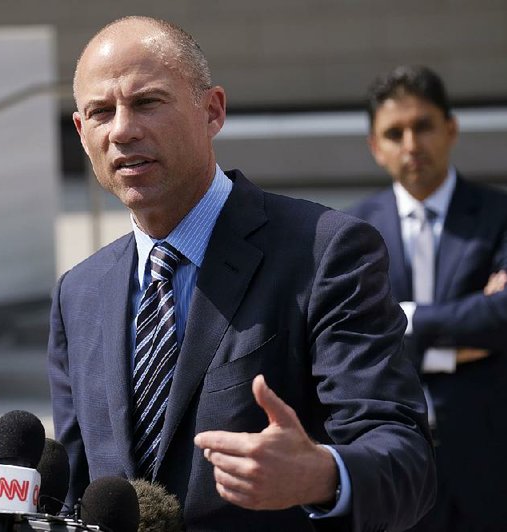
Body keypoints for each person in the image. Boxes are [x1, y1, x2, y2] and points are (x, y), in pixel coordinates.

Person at [48, 16, 435, 531]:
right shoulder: (79, 293)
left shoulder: (325, 251)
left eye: (147, 102)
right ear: (81, 131)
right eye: (101, 112)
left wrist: (324, 474)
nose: (122, 129)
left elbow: (406, 460)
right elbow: (76, 492)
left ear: (212, 111)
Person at [348, 65, 507, 531]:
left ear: (451, 129)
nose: (412, 144)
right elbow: (356, 340)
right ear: (376, 147)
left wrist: (403, 319)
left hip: (493, 467)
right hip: (395, 468)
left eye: (423, 126)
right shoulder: (350, 233)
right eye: (395, 133)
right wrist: (460, 337)